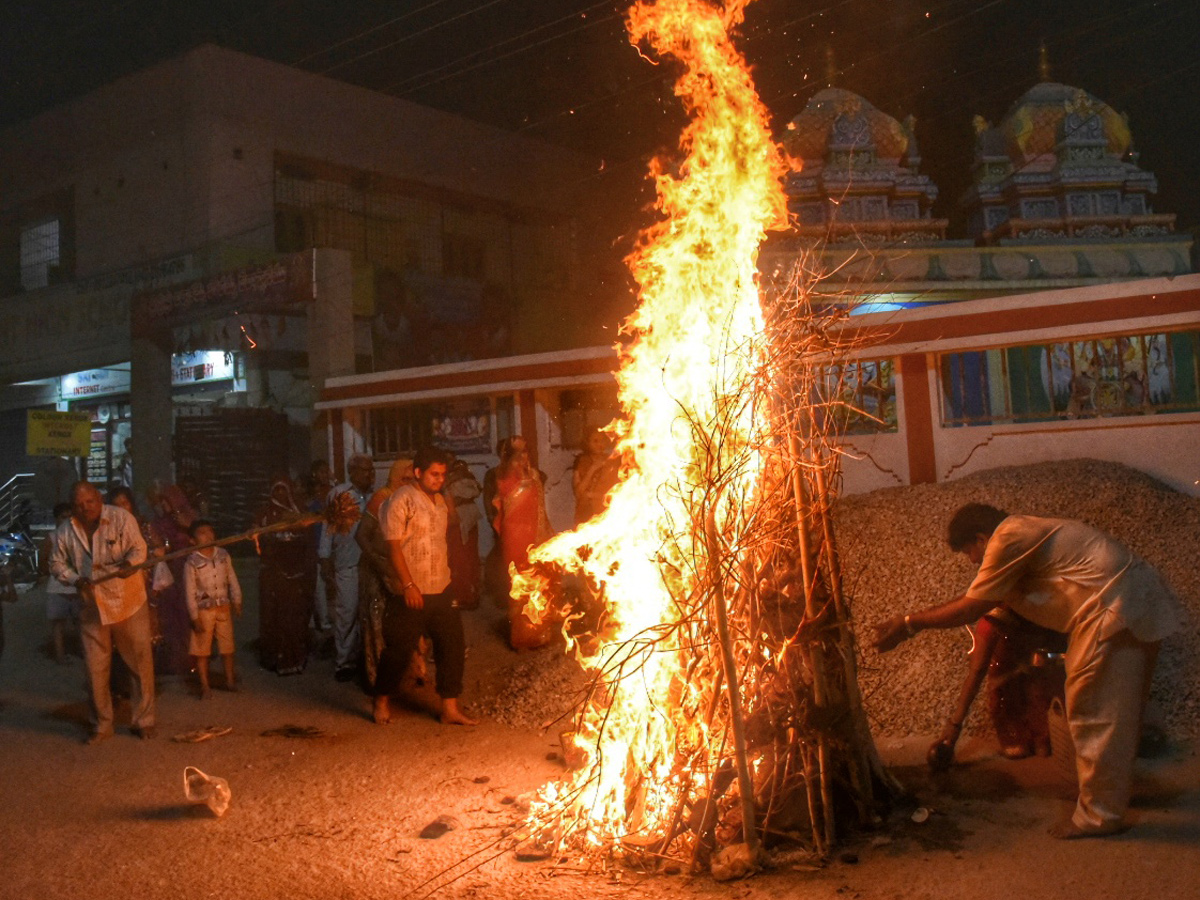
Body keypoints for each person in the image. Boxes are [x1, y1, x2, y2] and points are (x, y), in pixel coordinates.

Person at [872, 502, 1182, 838]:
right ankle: (1111, 797)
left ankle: (1099, 816)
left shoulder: (1009, 536)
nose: (974, 562)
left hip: (1112, 606)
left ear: (980, 537)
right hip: (1134, 599)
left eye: (969, 552)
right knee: (1118, 713)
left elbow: (972, 606)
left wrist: (908, 623)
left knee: (1094, 710)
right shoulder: (1028, 537)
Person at [374, 446, 476, 726]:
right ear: (418, 473)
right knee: (398, 650)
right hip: (410, 590)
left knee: (452, 646)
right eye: (433, 474)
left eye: (442, 475)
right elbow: (393, 547)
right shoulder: (401, 500)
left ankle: (449, 708)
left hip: (441, 587)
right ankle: (381, 699)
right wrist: (408, 585)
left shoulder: (441, 501)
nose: (439, 479)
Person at [49, 481, 155, 743]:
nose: (85, 508)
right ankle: (102, 724)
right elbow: (56, 563)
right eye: (79, 505)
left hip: (127, 600)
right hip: (91, 604)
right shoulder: (66, 530)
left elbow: (139, 548)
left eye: (90, 502)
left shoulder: (121, 518)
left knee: (139, 663)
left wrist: (131, 564)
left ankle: (144, 719)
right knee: (95, 669)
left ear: (99, 498)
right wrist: (75, 579)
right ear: (73, 507)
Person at [926, 607, 1066, 770]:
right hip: (1031, 687)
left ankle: (1028, 742)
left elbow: (977, 671)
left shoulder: (993, 623)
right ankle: (1041, 740)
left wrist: (955, 725)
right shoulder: (1035, 611)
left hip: (1017, 692)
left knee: (1019, 733)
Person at [356, 457, 415, 687]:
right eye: (405, 478)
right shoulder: (381, 498)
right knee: (377, 623)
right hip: (376, 568)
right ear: (395, 477)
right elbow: (361, 535)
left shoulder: (412, 499)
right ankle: (378, 680)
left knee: (405, 622)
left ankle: (407, 675)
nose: (408, 482)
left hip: (402, 569)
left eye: (412, 478)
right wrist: (380, 564)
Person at [492, 435, 554, 650]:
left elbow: (539, 507)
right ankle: (521, 638)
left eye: (526, 452)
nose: (523, 456)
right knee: (520, 585)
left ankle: (539, 635)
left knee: (541, 583)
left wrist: (547, 529)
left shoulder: (534, 474)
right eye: (518, 453)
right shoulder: (504, 476)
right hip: (516, 537)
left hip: (536, 533)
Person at [320, 454, 375, 681]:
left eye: (371, 470)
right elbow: (328, 527)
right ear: (352, 472)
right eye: (364, 471)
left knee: (370, 613)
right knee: (347, 613)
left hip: (370, 564)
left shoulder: (375, 497)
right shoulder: (340, 495)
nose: (369, 475)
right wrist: (324, 559)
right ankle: (344, 663)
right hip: (347, 562)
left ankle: (367, 660)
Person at [256, 478, 315, 676]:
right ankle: (276, 659)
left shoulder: (299, 510)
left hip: (296, 571)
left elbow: (308, 537)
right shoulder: (265, 514)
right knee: (276, 615)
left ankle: (296, 657)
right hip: (275, 572)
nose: (280, 494)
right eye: (277, 490)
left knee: (295, 615)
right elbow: (257, 537)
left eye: (284, 490)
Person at [183, 519, 243, 698]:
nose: (207, 535)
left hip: (223, 607)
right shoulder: (192, 562)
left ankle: (230, 680)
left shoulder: (223, 555)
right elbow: (189, 590)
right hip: (203, 611)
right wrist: (194, 616)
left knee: (227, 646)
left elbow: (231, 578)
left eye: (209, 531)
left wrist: (237, 600)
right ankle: (205, 685)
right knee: (202, 649)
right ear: (192, 540)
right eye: (201, 533)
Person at [42, 502, 80, 664]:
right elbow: (43, 562)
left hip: (78, 586)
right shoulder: (51, 538)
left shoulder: (79, 536)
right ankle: (60, 655)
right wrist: (53, 573)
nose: (66, 520)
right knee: (58, 624)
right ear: (56, 519)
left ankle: (84, 653)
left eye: (69, 516)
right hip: (57, 588)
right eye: (63, 517)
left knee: (81, 623)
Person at [444, 457, 483, 610]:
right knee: (467, 558)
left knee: (461, 558)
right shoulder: (465, 480)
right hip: (466, 520)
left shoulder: (451, 482)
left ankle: (464, 596)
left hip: (459, 521)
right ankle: (469, 594)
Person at [305, 459, 335, 643]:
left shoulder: (332, 492)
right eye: (321, 471)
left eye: (327, 471)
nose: (325, 475)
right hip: (313, 542)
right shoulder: (309, 494)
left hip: (329, 543)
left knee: (327, 584)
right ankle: (320, 622)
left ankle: (326, 622)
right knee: (317, 587)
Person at [571, 428, 619, 526]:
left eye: (602, 440)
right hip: (585, 513)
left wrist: (591, 495)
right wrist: (593, 468)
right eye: (595, 441)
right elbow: (579, 493)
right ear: (587, 443)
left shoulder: (612, 462)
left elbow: (617, 493)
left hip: (606, 514)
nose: (600, 444)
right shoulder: (581, 462)